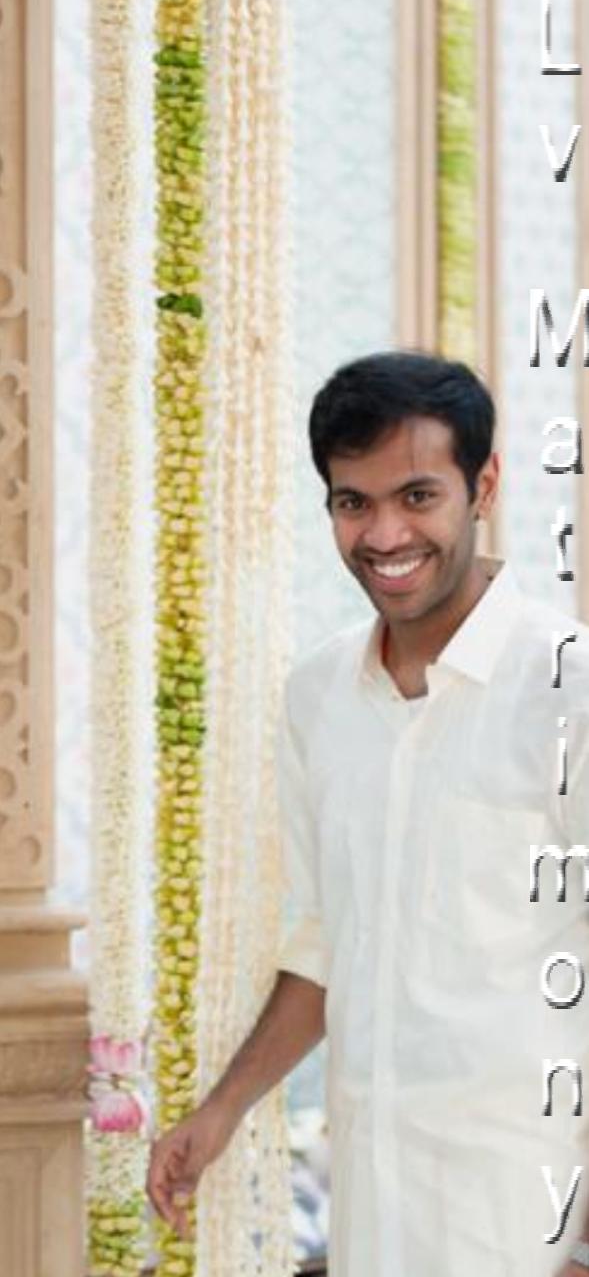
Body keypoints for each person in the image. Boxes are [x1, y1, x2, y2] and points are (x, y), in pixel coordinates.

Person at [147, 351, 589, 1276]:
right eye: (353, 502)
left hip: (523, 1202)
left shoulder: (567, 687)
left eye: (417, 496)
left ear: (483, 486)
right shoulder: (316, 695)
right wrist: (220, 1112)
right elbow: (326, 941)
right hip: (372, 1193)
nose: (384, 534)